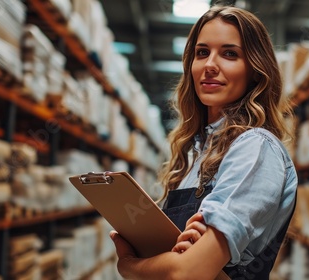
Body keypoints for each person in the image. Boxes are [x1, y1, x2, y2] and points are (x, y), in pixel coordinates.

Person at [110, 5, 298, 280]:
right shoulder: (195, 152)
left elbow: (188, 273)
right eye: (202, 53)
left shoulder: (255, 148)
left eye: (229, 54)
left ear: (256, 71)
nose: (210, 65)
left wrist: (127, 266)